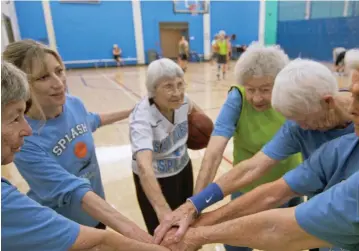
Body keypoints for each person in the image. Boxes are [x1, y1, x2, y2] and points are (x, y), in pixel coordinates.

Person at [160, 40, 359, 251]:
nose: (299, 129)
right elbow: (262, 180)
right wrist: (195, 210)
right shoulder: (334, 150)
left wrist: (200, 231)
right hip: (324, 226)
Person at [154, 59, 355, 247]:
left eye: (303, 119)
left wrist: (200, 227)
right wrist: (193, 206)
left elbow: (276, 195)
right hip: (323, 209)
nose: (299, 126)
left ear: (328, 102)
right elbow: (252, 168)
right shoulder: (297, 126)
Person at [1, 61, 168, 251]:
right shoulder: (8, 194)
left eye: (59, 71)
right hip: (64, 222)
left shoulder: (73, 105)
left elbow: (92, 120)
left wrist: (132, 111)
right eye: (44, 76)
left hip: (96, 213)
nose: (58, 82)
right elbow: (70, 190)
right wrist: (155, 245)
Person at [154, 43, 302, 251]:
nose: (256, 97)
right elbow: (214, 152)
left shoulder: (292, 98)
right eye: (251, 89)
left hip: (287, 185)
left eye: (265, 90)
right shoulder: (238, 98)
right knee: (236, 245)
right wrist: (194, 206)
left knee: (284, 244)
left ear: (279, 84)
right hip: (246, 187)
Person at [129, 58, 203, 235]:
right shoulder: (142, 117)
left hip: (183, 169)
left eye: (180, 84)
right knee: (165, 232)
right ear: (153, 91)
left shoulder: (185, 102)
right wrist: (162, 210)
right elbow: (144, 166)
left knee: (189, 222)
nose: (177, 92)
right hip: (156, 179)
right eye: (168, 86)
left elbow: (203, 121)